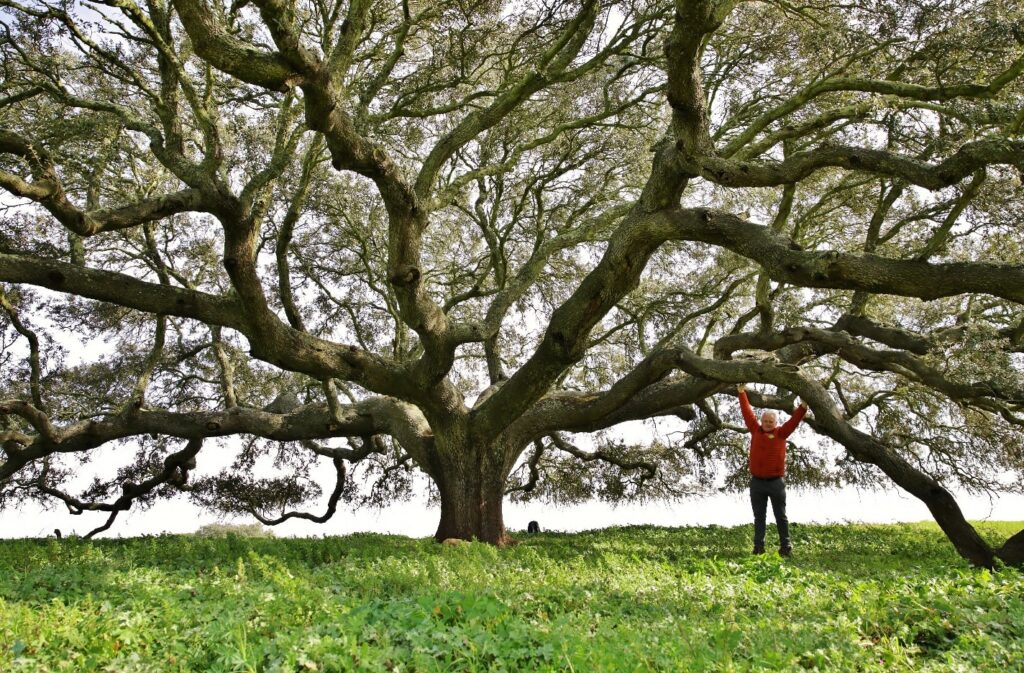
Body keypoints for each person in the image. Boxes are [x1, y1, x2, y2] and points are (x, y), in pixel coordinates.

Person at [737, 384, 807, 557]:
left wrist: (803, 407)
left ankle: (786, 547)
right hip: (757, 482)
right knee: (759, 517)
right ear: (762, 421)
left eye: (771, 422)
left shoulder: (781, 433)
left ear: (775, 423)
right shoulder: (755, 430)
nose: (768, 424)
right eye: (766, 421)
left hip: (776, 483)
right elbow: (747, 412)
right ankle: (758, 547)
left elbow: (794, 421)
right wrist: (741, 393)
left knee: (780, 516)